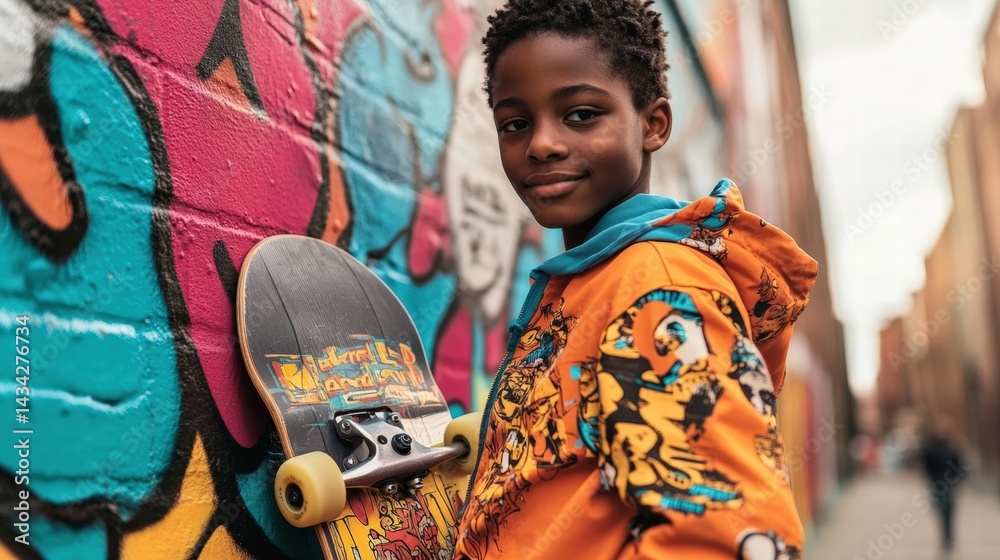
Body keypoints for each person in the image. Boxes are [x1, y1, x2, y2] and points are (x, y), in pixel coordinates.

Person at [451, 1, 818, 558]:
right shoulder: (593, 280)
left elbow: (725, 538)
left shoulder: (659, 286)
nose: (541, 144)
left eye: (580, 115)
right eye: (515, 123)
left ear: (653, 124)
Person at [920, 425, 965, 551]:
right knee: (948, 512)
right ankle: (948, 537)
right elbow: (960, 468)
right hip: (948, 484)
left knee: (942, 511)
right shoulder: (953, 452)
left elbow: (925, 465)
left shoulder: (931, 452)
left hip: (937, 484)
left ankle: (946, 537)